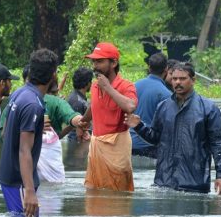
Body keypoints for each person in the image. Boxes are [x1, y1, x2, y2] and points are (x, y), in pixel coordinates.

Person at [125, 62, 221, 195]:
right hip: (164, 181)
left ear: (193, 80)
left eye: (182, 79)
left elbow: (217, 144)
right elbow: (155, 138)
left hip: (194, 183)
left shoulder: (208, 108)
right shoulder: (163, 107)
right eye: (174, 79)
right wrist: (139, 126)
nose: (178, 82)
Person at [0, 49, 57, 217]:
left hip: (13, 177)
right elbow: (24, 150)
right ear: (53, 75)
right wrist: (30, 191)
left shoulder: (20, 93)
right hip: (19, 181)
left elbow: (5, 133)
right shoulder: (33, 104)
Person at [79, 42, 137, 192]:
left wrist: (108, 87)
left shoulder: (126, 85)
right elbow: (94, 106)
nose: (95, 66)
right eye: (93, 61)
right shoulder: (95, 85)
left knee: (117, 196)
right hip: (96, 147)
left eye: (100, 61)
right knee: (93, 194)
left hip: (117, 149)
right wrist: (83, 121)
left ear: (114, 63)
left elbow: (130, 106)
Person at [38, 77, 84, 183]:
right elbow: (72, 116)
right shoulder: (56, 102)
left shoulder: (19, 99)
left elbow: (56, 137)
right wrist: (79, 123)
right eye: (55, 92)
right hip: (50, 164)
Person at [130, 53, 171, 158]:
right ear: (166, 69)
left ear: (149, 67)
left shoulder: (133, 86)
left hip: (128, 143)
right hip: (149, 146)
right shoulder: (166, 94)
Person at [66, 67, 92, 142]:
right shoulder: (77, 101)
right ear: (87, 83)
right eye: (90, 81)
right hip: (77, 140)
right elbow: (76, 128)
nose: (91, 83)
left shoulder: (75, 96)